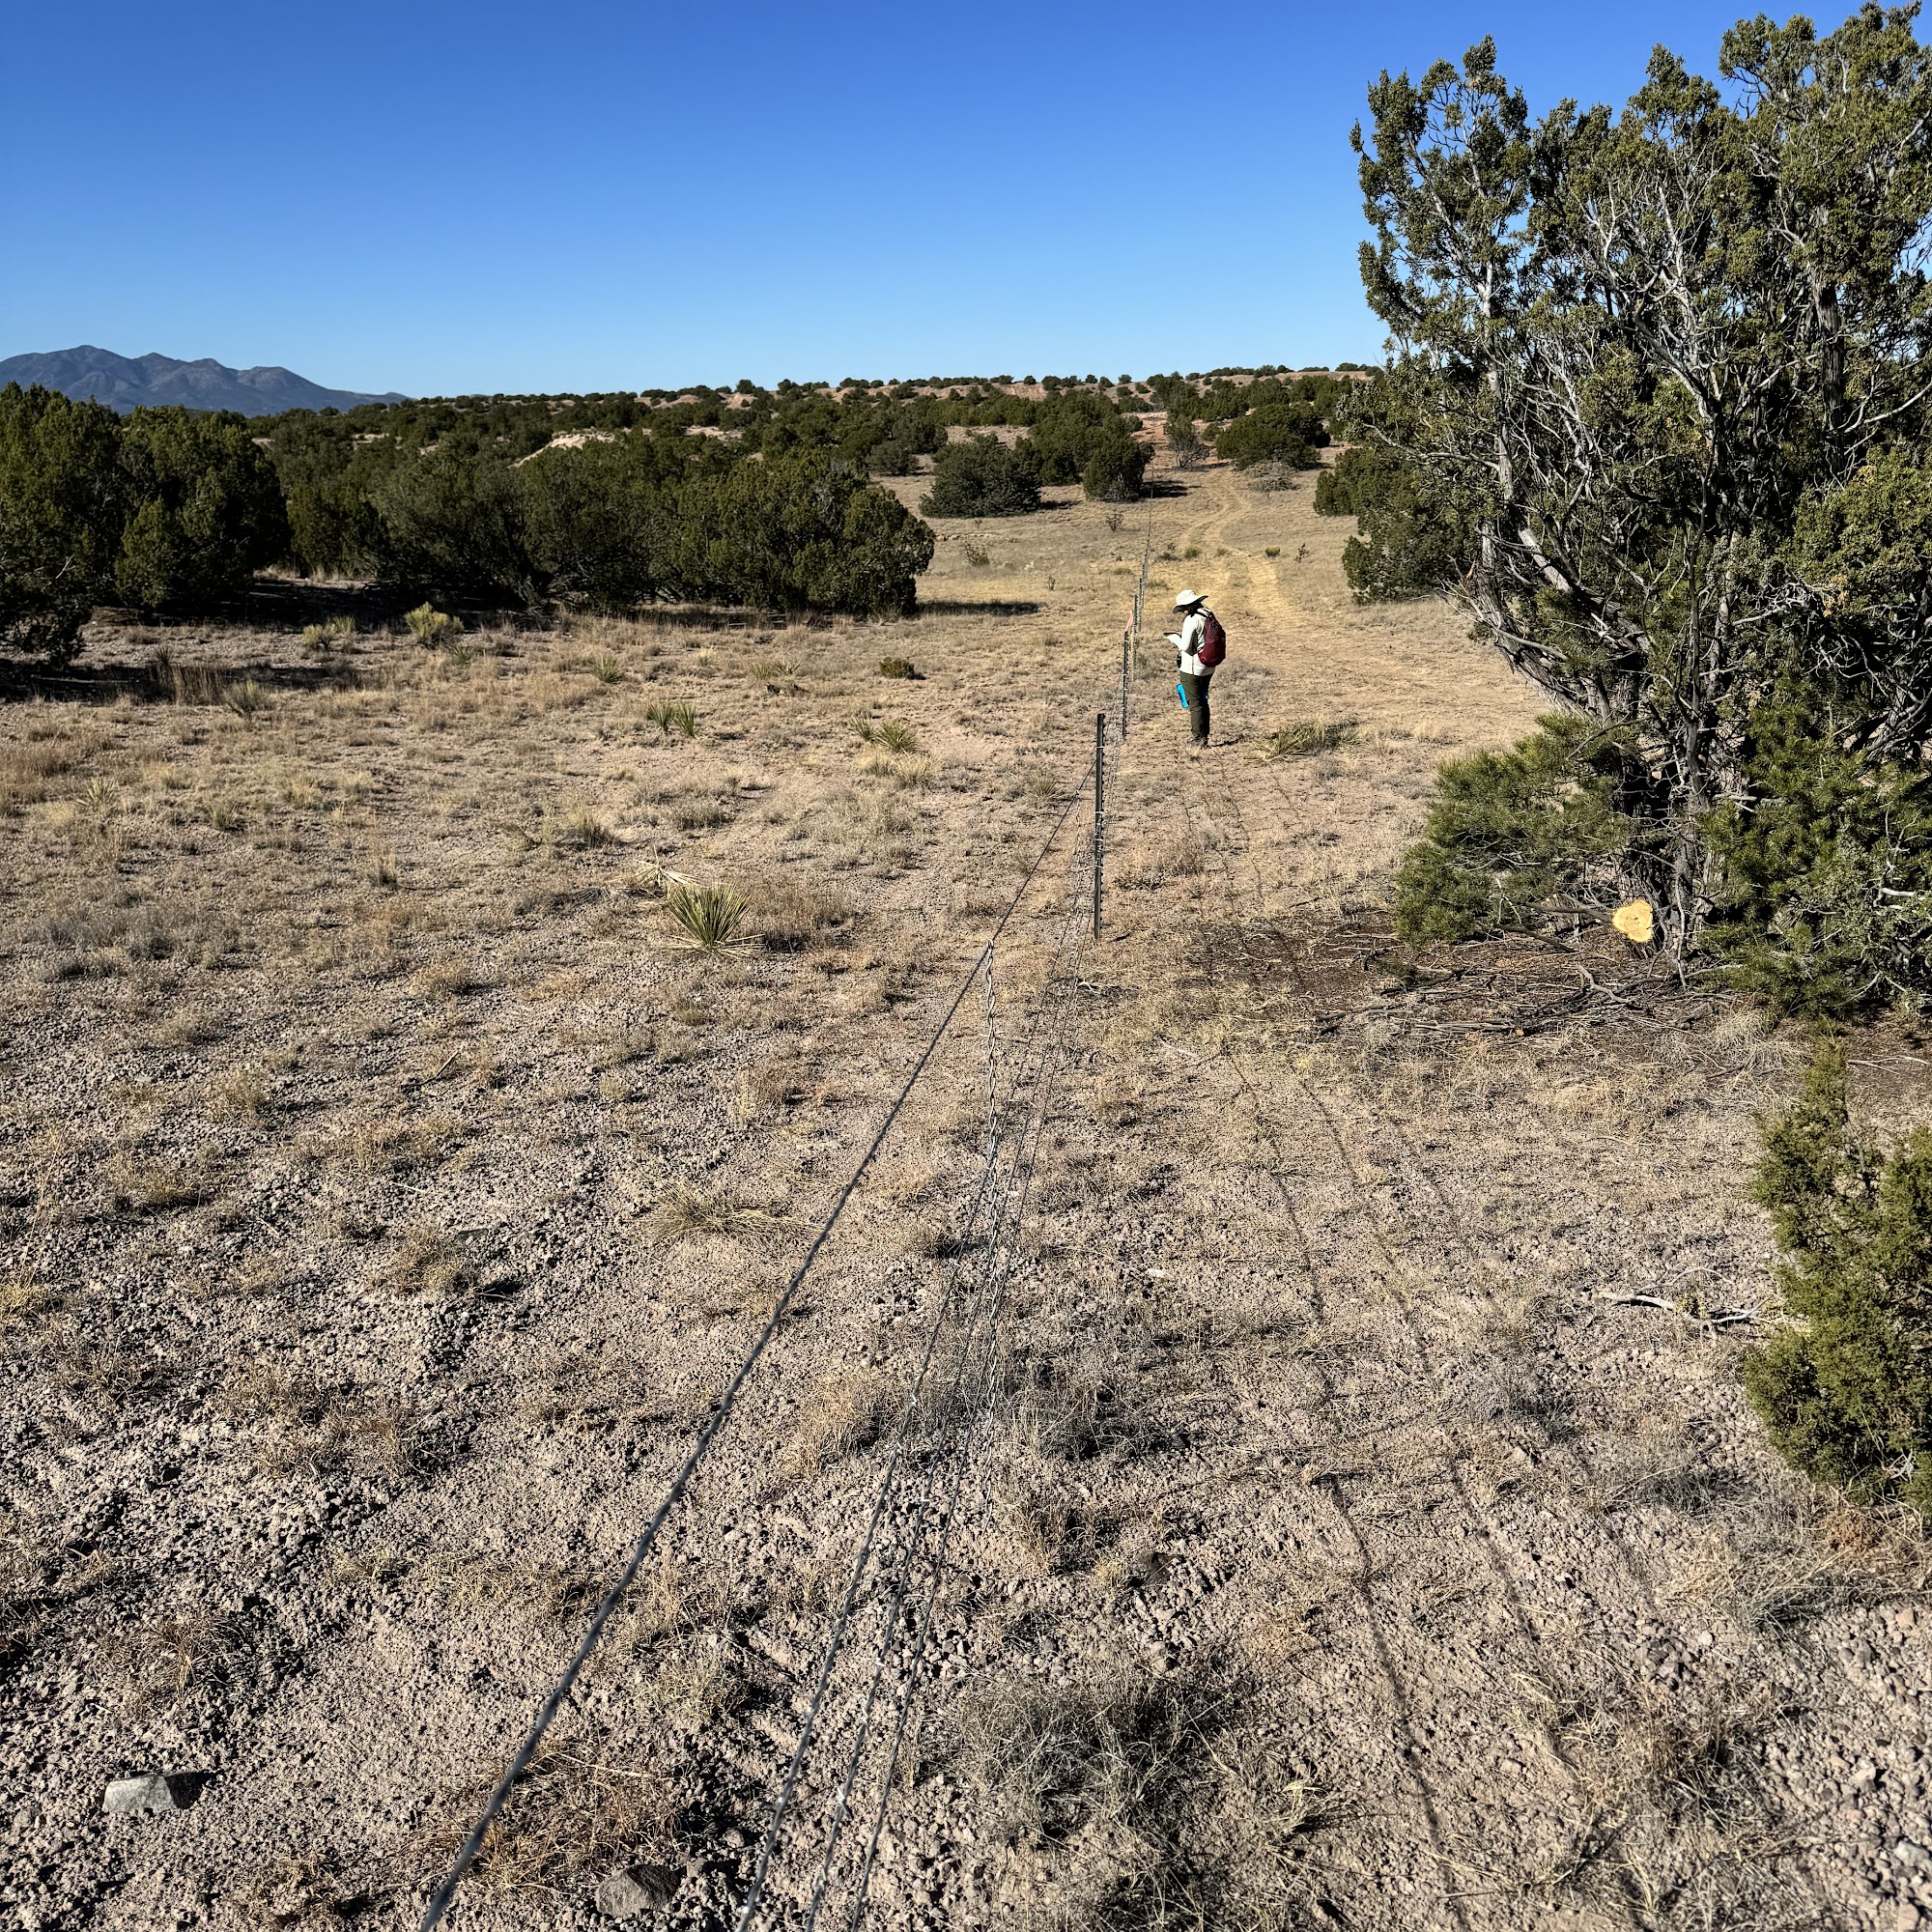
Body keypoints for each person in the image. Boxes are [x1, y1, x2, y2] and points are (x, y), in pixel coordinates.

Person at [1166, 589, 1216, 748]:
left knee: (1195, 704)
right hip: (1208, 666)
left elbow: (1186, 646)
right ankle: (1204, 736)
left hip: (1193, 668)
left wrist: (1174, 639)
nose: (1182, 612)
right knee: (1203, 701)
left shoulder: (1191, 620)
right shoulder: (1208, 613)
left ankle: (1198, 740)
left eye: (1181, 609)